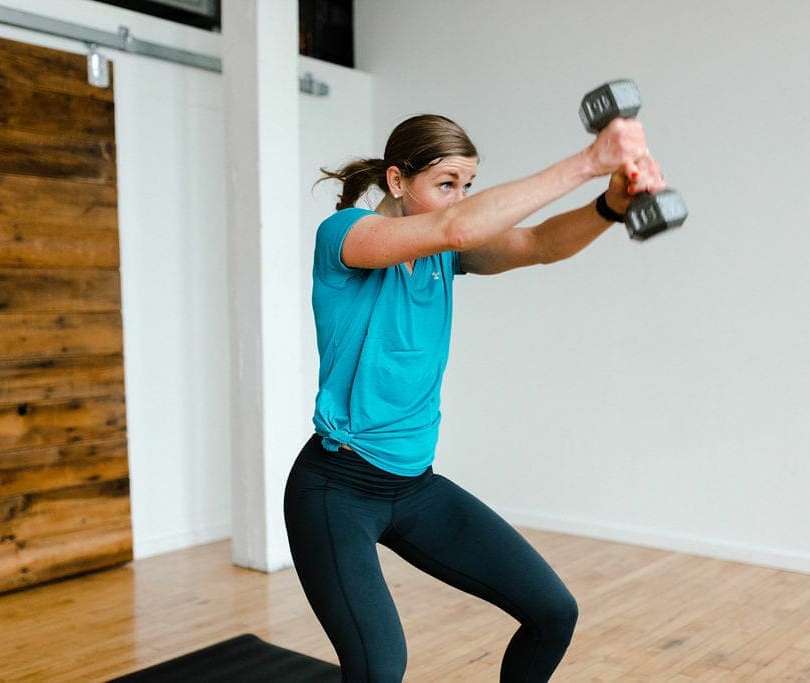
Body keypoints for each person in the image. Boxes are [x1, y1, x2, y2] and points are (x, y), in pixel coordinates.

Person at [284, 112, 664, 682]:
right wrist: (589, 162)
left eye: (466, 186)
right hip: (335, 491)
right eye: (445, 184)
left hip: (414, 487)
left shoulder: (443, 254)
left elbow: (537, 243)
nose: (459, 198)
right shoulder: (345, 235)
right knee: (380, 668)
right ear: (396, 182)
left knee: (553, 613)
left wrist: (608, 205)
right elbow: (457, 227)